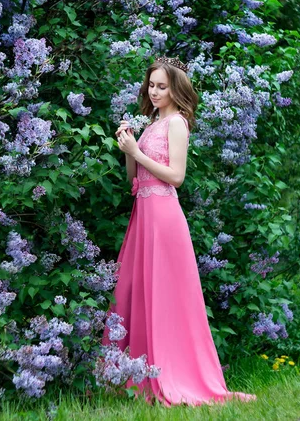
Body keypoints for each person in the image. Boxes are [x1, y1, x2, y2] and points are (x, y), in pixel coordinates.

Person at [102, 56, 257, 407]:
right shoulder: (151, 124)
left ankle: (173, 373)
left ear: (175, 89)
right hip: (143, 216)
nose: (154, 92)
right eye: (151, 85)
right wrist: (129, 147)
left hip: (164, 217)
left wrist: (136, 154)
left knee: (164, 296)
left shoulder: (176, 123)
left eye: (162, 86)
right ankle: (131, 374)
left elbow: (175, 177)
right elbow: (134, 180)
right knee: (134, 289)